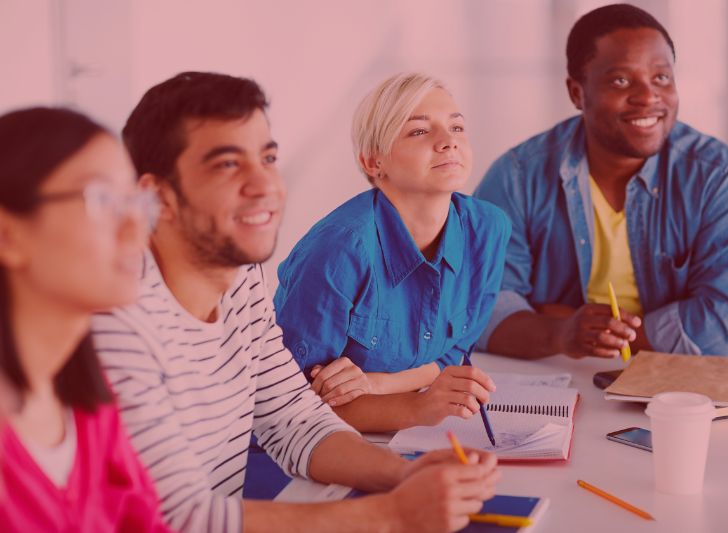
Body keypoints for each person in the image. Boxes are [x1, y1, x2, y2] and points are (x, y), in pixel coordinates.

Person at [92, 71, 499, 533]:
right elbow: (173, 518)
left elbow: (294, 418)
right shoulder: (115, 325)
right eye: (227, 165)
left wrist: (405, 473)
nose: (265, 183)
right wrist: (391, 513)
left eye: (267, 157)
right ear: (158, 197)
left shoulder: (241, 279)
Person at [474, 3, 728, 360]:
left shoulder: (721, 179)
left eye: (661, 77)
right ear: (577, 93)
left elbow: (722, 332)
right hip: (554, 380)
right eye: (621, 80)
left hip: (677, 387)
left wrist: (575, 327)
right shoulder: (517, 176)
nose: (647, 97)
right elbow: (481, 311)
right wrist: (563, 334)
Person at [273, 73, 511, 431]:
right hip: (315, 445)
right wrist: (416, 407)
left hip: (414, 435)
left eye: (457, 128)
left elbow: (453, 353)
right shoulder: (338, 250)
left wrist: (376, 386)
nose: (448, 142)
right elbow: (291, 404)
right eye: (419, 131)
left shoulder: (489, 228)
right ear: (373, 163)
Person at [0, 107, 169, 530]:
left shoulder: (87, 400)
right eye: (103, 200)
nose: (137, 228)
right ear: (7, 236)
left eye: (136, 202)